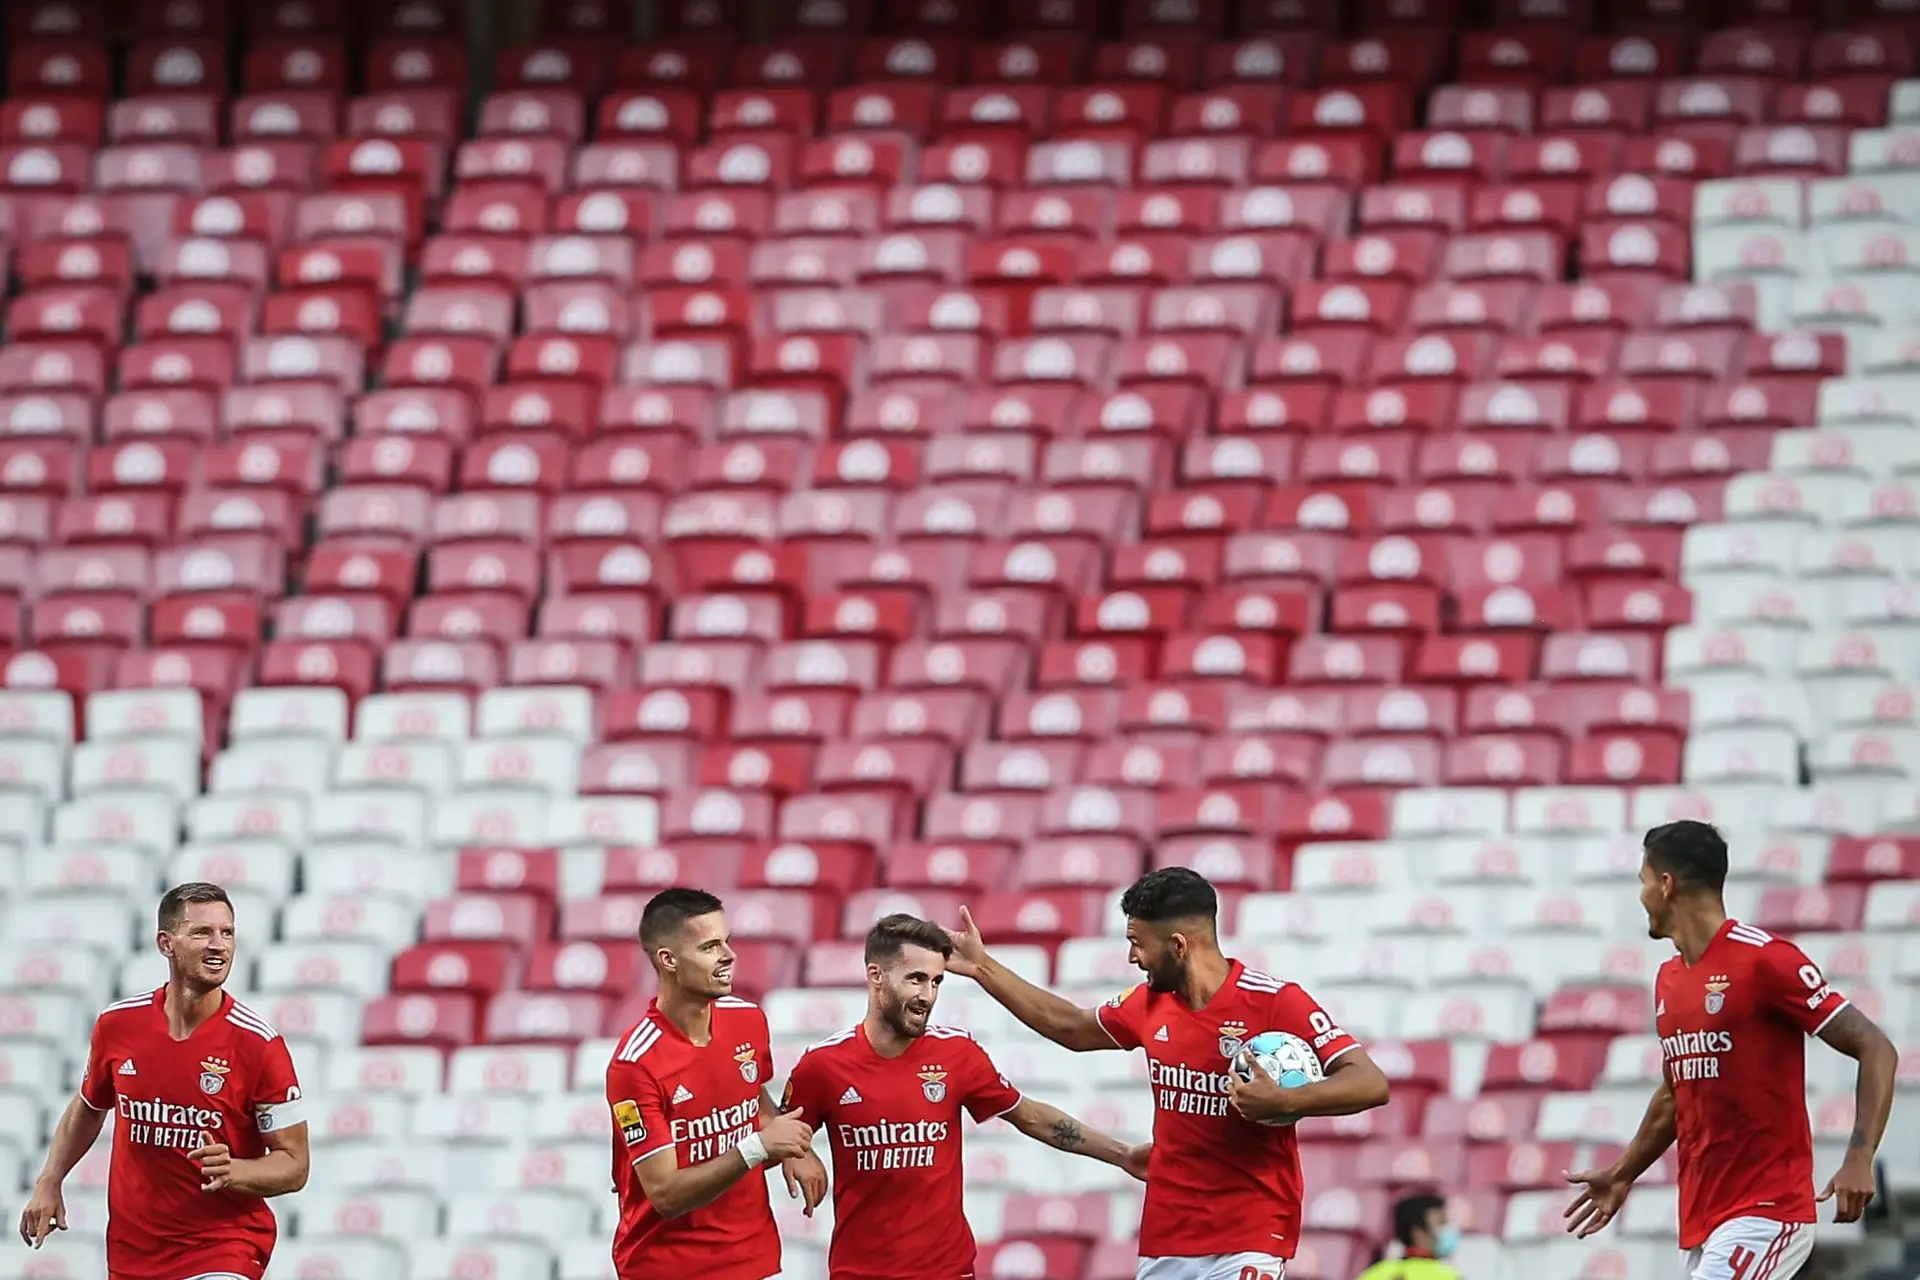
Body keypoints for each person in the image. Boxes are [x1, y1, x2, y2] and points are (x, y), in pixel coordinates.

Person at [945, 866, 1392, 1280]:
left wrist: (1287, 1101)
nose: (1132, 957)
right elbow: (1071, 1027)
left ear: (1178, 945)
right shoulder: (1148, 1004)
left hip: (1249, 1233)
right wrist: (983, 969)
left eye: (1138, 942)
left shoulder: (1276, 1002)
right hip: (1167, 1235)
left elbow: (1370, 1083)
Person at [1564, 821, 1900, 1280]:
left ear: (1666, 885)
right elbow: (1674, 1093)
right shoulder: (1669, 978)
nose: (1640, 896)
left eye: (1642, 882)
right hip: (1705, 1216)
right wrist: (1624, 1172)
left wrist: (1859, 1158)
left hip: (1767, 1209)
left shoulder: (1766, 960)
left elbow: (1875, 1046)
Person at [783, 913, 1151, 1280]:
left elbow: (1031, 1117)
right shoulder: (823, 1065)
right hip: (859, 1273)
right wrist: (799, 1151)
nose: (927, 996)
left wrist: (1122, 1155)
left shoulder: (957, 1052)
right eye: (916, 979)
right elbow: (770, 1127)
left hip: (948, 1271)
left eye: (936, 982)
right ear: (876, 976)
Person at [16, 882, 310, 1280]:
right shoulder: (119, 1024)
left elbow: (295, 1164)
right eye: (202, 932)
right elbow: (89, 1105)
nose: (218, 945)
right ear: (165, 943)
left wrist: (235, 1171)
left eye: (227, 932)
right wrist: (50, 1180)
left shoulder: (259, 1044)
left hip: (224, 1246)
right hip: (133, 1253)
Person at [605, 887, 827, 1280]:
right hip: (668, 1268)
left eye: (727, 941)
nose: (729, 955)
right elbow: (666, 1195)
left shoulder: (748, 1021)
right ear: (668, 960)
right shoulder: (635, 1064)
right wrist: (760, 1147)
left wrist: (792, 1146)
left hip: (752, 1258)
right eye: (710, 947)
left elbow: (750, 1093)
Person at [1354, 1193, 1462, 1280]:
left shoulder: (1374, 1274)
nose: (1449, 1230)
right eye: (1441, 1223)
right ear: (1418, 1232)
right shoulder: (1448, 1276)